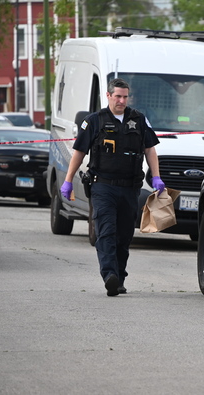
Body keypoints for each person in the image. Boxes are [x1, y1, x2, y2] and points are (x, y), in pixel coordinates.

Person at [60, 78, 165, 296]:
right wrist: (68, 180)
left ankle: (119, 276)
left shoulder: (138, 119)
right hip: (103, 187)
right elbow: (79, 153)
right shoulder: (94, 121)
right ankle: (109, 275)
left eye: (125, 96)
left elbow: (150, 150)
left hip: (130, 188)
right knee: (106, 231)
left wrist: (156, 177)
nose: (121, 100)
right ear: (108, 96)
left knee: (124, 236)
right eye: (117, 96)